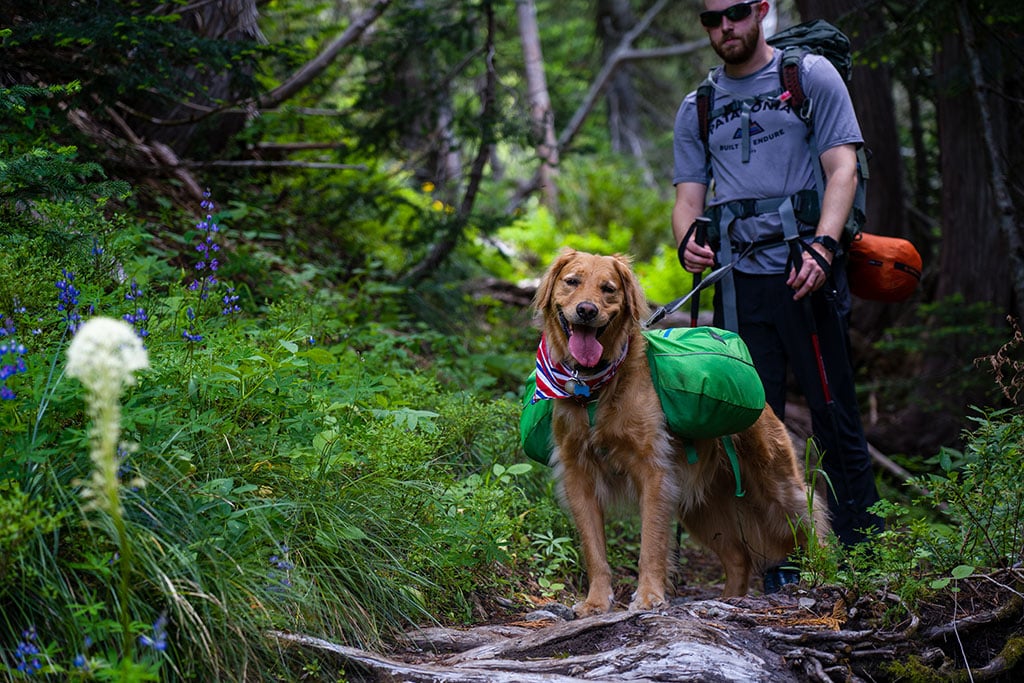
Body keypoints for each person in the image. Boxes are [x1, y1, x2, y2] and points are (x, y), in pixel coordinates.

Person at [671, 0, 882, 549]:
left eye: (736, 13)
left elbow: (843, 168)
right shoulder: (699, 104)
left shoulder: (808, 75)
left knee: (834, 416)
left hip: (806, 272)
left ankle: (866, 553)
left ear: (761, 9)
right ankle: (777, 560)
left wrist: (824, 248)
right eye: (711, 19)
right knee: (748, 428)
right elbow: (688, 199)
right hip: (739, 287)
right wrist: (688, 242)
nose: (725, 28)